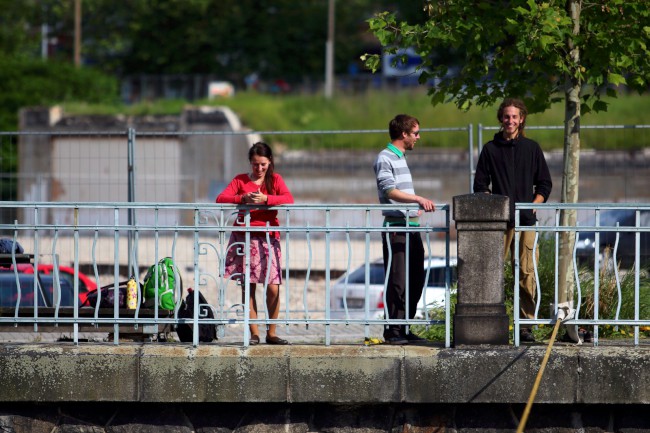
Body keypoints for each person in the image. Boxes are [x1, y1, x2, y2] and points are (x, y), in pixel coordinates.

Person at [473, 98, 552, 343]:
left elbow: (545, 184)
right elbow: (480, 186)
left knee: (527, 273)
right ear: (501, 118)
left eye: (514, 117)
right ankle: (490, 322)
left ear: (521, 119)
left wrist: (533, 206)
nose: (510, 121)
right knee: (492, 272)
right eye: (506, 116)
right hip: (499, 223)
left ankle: (525, 325)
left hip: (526, 222)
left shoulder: (532, 148)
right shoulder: (490, 149)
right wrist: (494, 207)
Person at [216, 142, 294, 345]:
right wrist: (243, 198)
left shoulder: (275, 180)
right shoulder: (240, 179)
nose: (259, 169)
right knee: (248, 286)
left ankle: (272, 332)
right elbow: (221, 198)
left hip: (268, 237)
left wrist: (266, 199)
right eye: (255, 164)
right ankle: (254, 333)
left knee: (273, 286)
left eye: (263, 164)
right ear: (250, 163)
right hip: (245, 237)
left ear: (270, 163)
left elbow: (288, 198)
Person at [374, 114, 436, 345]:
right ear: (404, 134)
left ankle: (404, 326)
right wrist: (417, 200)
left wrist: (413, 209)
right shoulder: (385, 157)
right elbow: (389, 190)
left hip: (411, 227)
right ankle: (393, 331)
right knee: (398, 280)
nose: (418, 137)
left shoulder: (400, 158)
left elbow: (398, 193)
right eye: (415, 133)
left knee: (415, 279)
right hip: (396, 228)